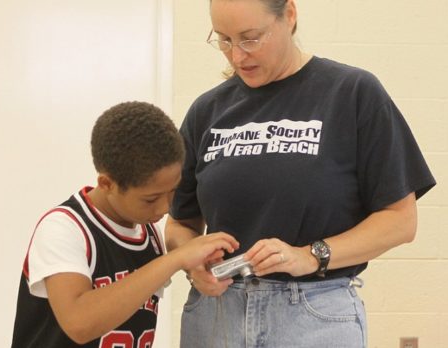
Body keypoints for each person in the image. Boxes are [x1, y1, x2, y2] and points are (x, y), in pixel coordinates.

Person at [165, 0, 436, 347]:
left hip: (314, 313)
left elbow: (400, 220)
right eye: (224, 40)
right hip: (217, 315)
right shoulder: (207, 110)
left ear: (289, 15)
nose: (236, 56)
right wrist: (193, 263)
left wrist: (310, 255)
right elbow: (179, 223)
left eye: (250, 38)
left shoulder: (352, 93)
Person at [11, 101, 239, 347]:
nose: (164, 208)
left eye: (173, 191)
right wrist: (175, 259)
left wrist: (197, 271)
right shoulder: (64, 228)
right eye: (150, 198)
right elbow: (79, 323)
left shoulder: (147, 233)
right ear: (107, 184)